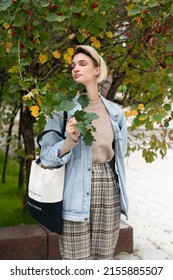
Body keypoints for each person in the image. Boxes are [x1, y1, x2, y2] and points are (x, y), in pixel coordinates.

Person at [40, 45, 128, 260]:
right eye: (73, 65)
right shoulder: (62, 109)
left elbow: (119, 157)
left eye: (82, 64)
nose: (75, 69)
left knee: (103, 260)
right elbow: (46, 157)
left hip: (108, 190)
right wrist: (69, 141)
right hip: (75, 192)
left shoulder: (115, 112)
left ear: (97, 70)